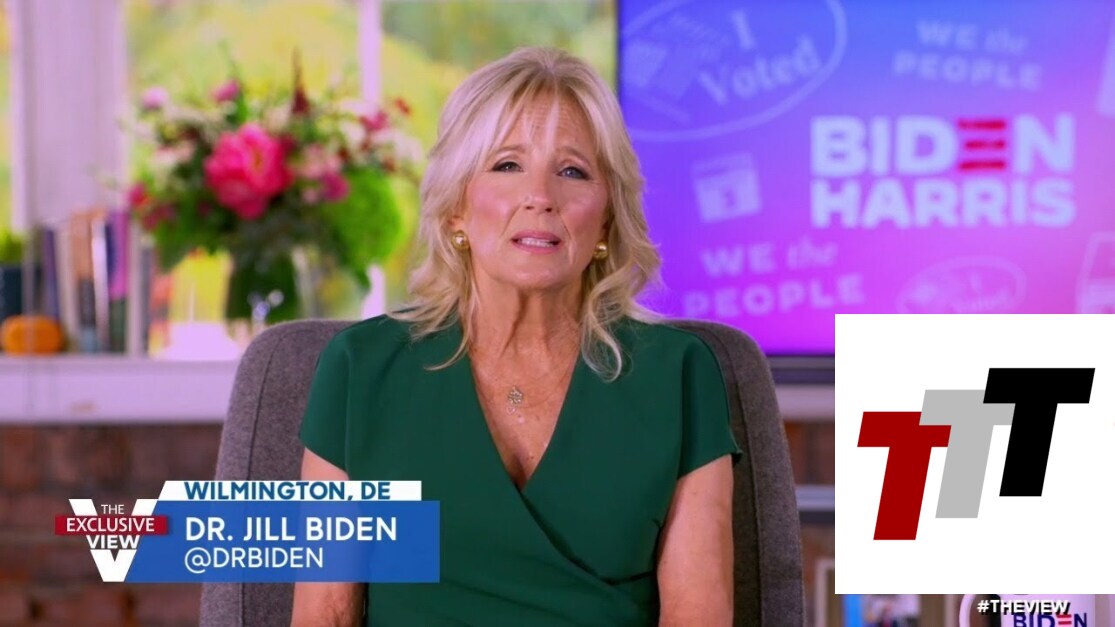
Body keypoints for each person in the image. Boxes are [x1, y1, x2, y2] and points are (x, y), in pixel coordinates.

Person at [291, 46, 741, 626]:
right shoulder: (360, 370)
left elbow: (697, 615)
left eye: (572, 171)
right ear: (456, 207)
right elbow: (324, 614)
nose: (541, 197)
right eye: (507, 165)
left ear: (606, 218)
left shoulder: (677, 374)